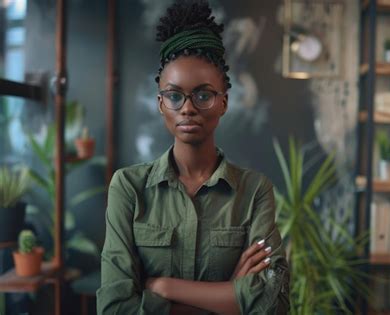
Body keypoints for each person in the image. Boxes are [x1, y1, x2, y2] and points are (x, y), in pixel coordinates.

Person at [96, 1, 289, 314]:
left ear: (223, 103)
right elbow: (115, 308)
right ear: (161, 103)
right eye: (174, 96)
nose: (187, 108)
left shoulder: (254, 191)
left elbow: (272, 304)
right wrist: (228, 297)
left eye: (203, 95)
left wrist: (163, 288)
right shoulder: (129, 187)